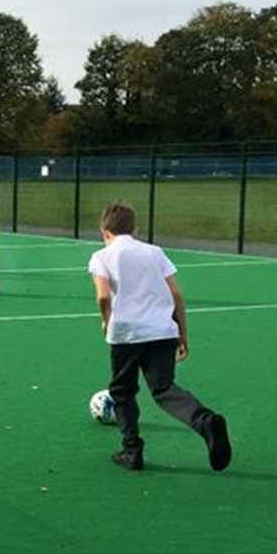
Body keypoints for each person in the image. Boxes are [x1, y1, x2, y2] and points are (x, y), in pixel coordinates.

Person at [89, 202, 231, 472]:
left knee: (122, 391)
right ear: (136, 229)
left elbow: (103, 296)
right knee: (164, 388)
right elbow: (176, 294)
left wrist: (107, 321)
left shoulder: (102, 257)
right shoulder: (155, 252)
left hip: (127, 333)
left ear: (104, 232)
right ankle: (206, 421)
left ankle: (132, 450)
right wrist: (182, 332)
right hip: (162, 330)